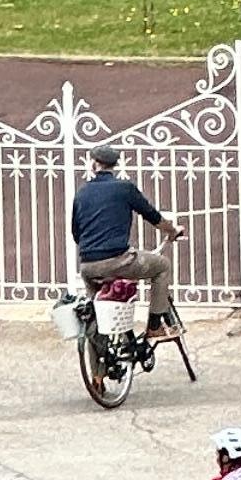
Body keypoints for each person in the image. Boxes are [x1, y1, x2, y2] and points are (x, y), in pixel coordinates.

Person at [70, 142, 177, 335]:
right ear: (114, 165)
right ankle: (154, 326)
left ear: (94, 164)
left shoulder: (82, 193)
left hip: (88, 266)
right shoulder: (125, 188)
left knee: (96, 313)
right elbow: (153, 217)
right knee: (162, 266)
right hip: (119, 261)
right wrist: (172, 231)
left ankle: (97, 354)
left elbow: (76, 233)